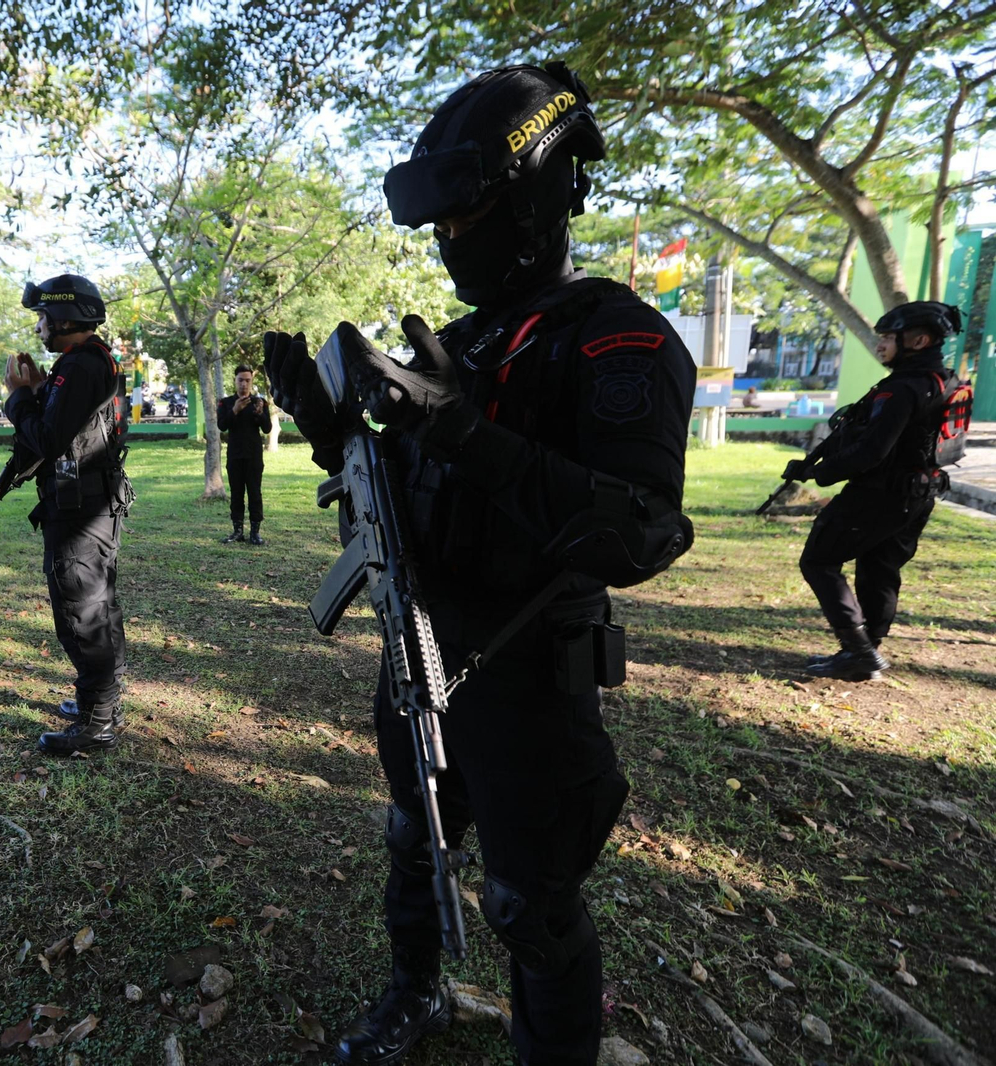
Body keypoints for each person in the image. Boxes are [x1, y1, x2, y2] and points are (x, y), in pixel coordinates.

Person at [265, 62, 695, 1065]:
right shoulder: (461, 339)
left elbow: (637, 533)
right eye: (440, 230)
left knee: (527, 906)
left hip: (527, 677)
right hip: (419, 649)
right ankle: (414, 993)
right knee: (413, 841)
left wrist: (466, 431)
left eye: (467, 220)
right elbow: (408, 489)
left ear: (538, 199)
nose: (449, 246)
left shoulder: (613, 334)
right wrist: (333, 433)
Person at [787, 301, 964, 682]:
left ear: (918, 340)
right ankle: (866, 652)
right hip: (919, 495)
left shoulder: (902, 388)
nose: (880, 344)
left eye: (888, 337)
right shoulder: (944, 380)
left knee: (818, 560)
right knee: (879, 569)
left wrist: (822, 473)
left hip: (880, 493)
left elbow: (871, 451)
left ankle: (859, 652)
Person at [3, 273, 133, 755]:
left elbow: (51, 440)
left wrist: (18, 401)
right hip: (90, 505)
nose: (39, 326)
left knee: (82, 613)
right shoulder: (87, 363)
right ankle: (102, 705)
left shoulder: (79, 367)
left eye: (43, 317)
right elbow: (70, 430)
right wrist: (40, 392)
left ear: (65, 316)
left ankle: (97, 725)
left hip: (82, 512)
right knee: (97, 607)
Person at [216, 364, 272, 544]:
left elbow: (267, 428)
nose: (244, 384)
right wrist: (235, 411)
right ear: (235, 380)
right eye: (240, 380)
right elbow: (222, 425)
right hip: (235, 456)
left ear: (251, 381)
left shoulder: (259, 402)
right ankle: (237, 531)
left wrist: (261, 414)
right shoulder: (226, 403)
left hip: (254, 456)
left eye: (247, 380)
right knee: (237, 494)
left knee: (255, 494)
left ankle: (255, 533)